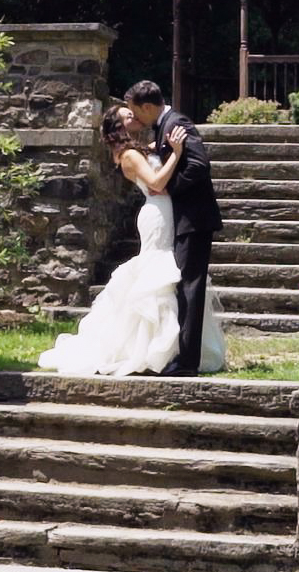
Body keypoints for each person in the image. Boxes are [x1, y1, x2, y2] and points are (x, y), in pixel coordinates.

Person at [37, 104, 226, 376]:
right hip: (158, 215)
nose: (135, 116)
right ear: (119, 126)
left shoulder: (138, 149)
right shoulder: (127, 155)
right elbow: (157, 183)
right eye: (128, 115)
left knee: (171, 277)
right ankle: (145, 348)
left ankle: (174, 346)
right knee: (156, 275)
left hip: (168, 212)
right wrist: (177, 153)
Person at [123, 79, 223, 377]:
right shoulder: (163, 126)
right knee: (182, 286)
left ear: (148, 107)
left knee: (190, 287)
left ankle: (188, 362)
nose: (136, 118)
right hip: (182, 220)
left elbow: (198, 165)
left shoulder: (177, 123)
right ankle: (181, 353)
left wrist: (170, 190)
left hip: (194, 219)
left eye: (136, 112)